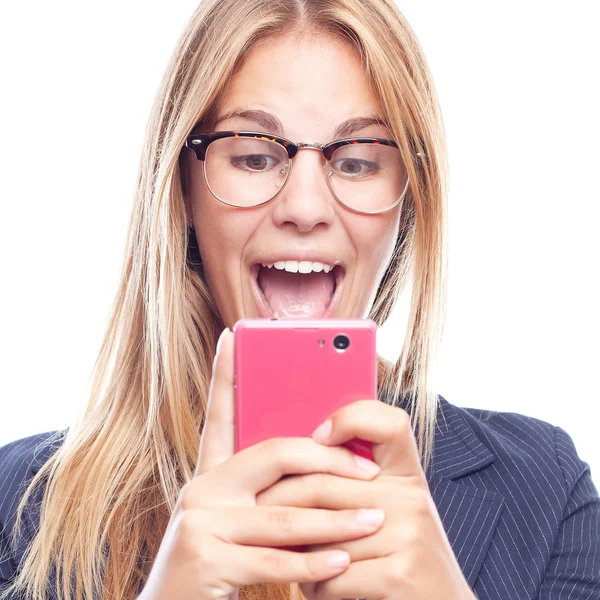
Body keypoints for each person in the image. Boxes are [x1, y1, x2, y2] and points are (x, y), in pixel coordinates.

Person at [1, 0, 599, 599]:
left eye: (358, 160)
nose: (306, 209)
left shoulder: (545, 490)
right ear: (181, 191)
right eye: (255, 156)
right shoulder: (20, 508)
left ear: (407, 204)